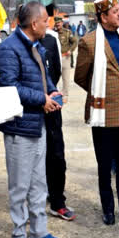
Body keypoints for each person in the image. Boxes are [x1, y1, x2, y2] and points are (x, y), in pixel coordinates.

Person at [0, 1, 65, 238]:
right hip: (19, 127)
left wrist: (53, 90)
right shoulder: (8, 49)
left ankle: (38, 231)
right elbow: (10, 85)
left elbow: (44, 76)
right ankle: (19, 237)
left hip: (38, 126)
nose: (49, 23)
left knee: (39, 183)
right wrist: (41, 99)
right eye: (46, 20)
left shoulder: (37, 46)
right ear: (34, 23)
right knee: (19, 186)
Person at [74, 0, 119, 225]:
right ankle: (108, 209)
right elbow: (81, 77)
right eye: (115, 12)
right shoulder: (89, 42)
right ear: (103, 17)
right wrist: (100, 92)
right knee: (104, 164)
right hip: (102, 113)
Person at [41, 23, 76, 221]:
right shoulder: (15, 45)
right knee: (32, 159)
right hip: (30, 110)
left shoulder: (50, 39)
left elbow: (55, 70)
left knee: (56, 156)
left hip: (52, 107)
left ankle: (57, 202)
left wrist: (55, 94)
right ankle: (33, 205)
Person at [54, 16, 77, 101]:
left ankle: (65, 95)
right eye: (56, 23)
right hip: (56, 58)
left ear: (62, 23)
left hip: (65, 57)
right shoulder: (53, 33)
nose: (57, 24)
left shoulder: (67, 32)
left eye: (59, 23)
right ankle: (56, 93)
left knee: (66, 77)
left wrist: (71, 50)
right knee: (55, 76)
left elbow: (75, 41)